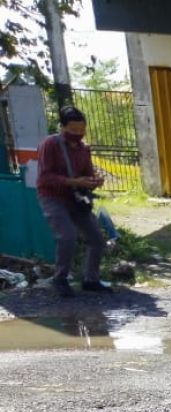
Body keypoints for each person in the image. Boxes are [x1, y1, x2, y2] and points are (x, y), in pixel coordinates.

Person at [35, 105, 110, 298]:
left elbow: (87, 175)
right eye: (73, 130)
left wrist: (93, 181)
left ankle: (90, 280)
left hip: (77, 198)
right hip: (53, 197)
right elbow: (45, 178)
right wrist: (73, 181)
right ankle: (60, 279)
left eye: (81, 130)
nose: (78, 134)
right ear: (62, 128)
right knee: (67, 236)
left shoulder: (84, 149)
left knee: (97, 240)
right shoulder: (50, 144)